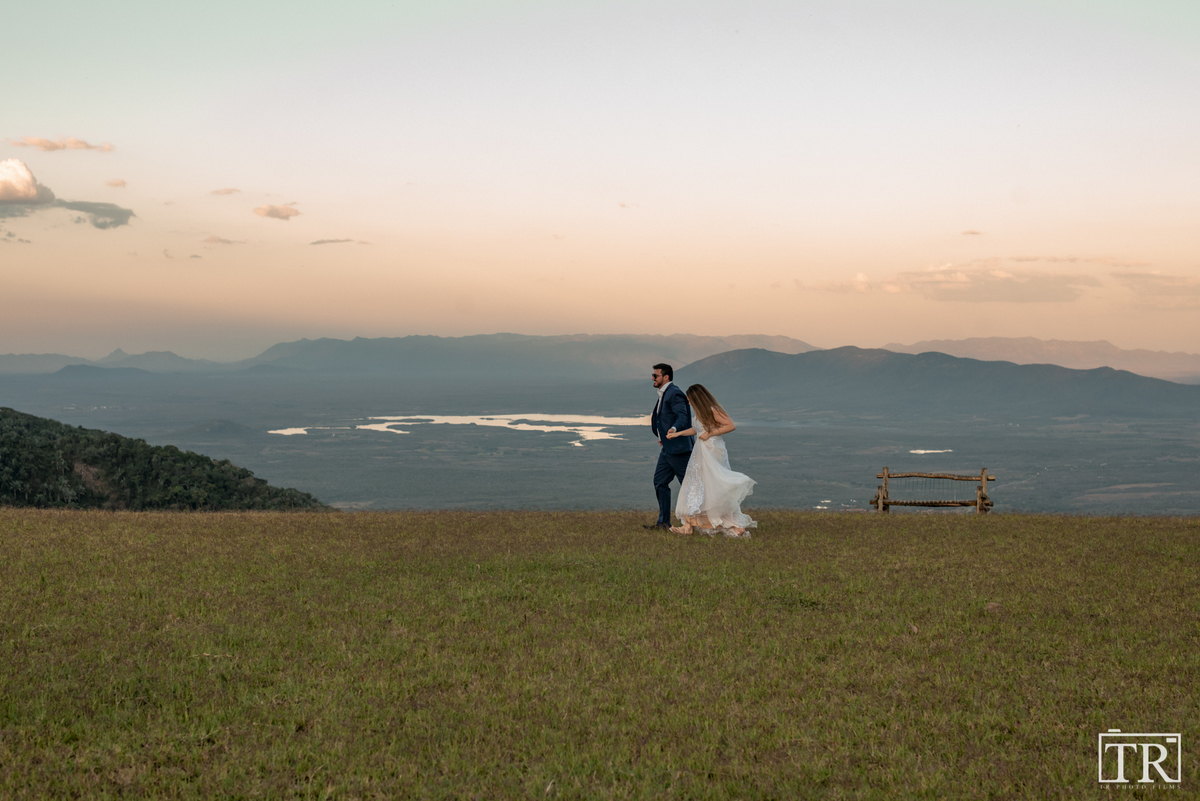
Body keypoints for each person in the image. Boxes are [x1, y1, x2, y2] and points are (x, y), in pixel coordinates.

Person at [666, 384, 756, 537]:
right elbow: (697, 429)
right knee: (696, 484)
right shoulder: (699, 413)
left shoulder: (714, 410)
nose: (688, 402)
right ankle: (688, 525)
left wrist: (710, 433)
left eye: (690, 399)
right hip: (700, 451)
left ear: (697, 398)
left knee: (712, 485)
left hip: (712, 450)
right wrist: (678, 434)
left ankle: (733, 524)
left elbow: (730, 425)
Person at [645, 363, 694, 530]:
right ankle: (663, 523)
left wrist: (674, 429)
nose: (653, 378)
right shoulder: (665, 393)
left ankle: (699, 521)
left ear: (666, 377)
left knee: (689, 486)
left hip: (679, 450)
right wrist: (662, 437)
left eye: (656, 375)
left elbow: (682, 416)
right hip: (668, 448)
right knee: (660, 482)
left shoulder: (675, 393)